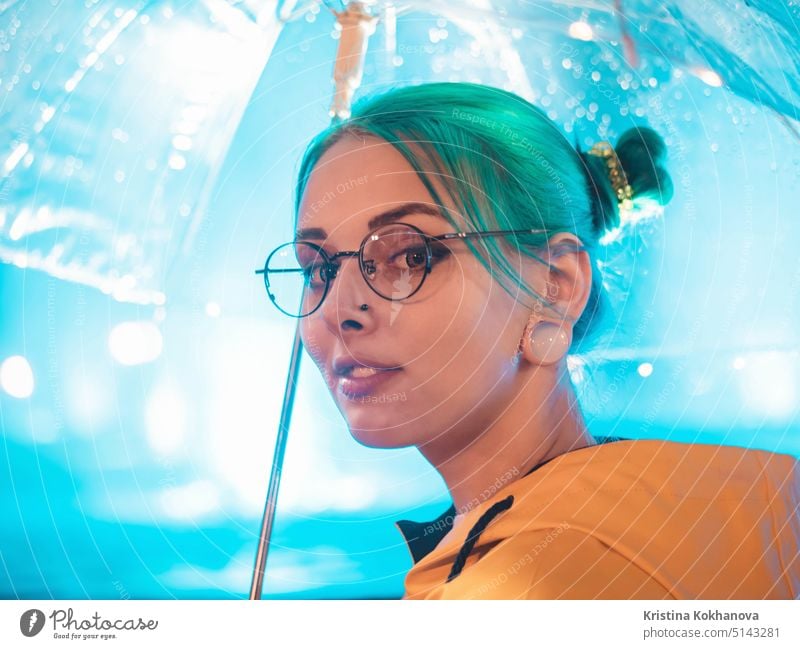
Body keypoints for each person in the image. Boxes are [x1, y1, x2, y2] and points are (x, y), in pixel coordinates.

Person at [262, 81, 800, 598]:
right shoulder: (745, 504)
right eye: (318, 268)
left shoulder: (515, 595)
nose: (337, 308)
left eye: (412, 256)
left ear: (554, 290)